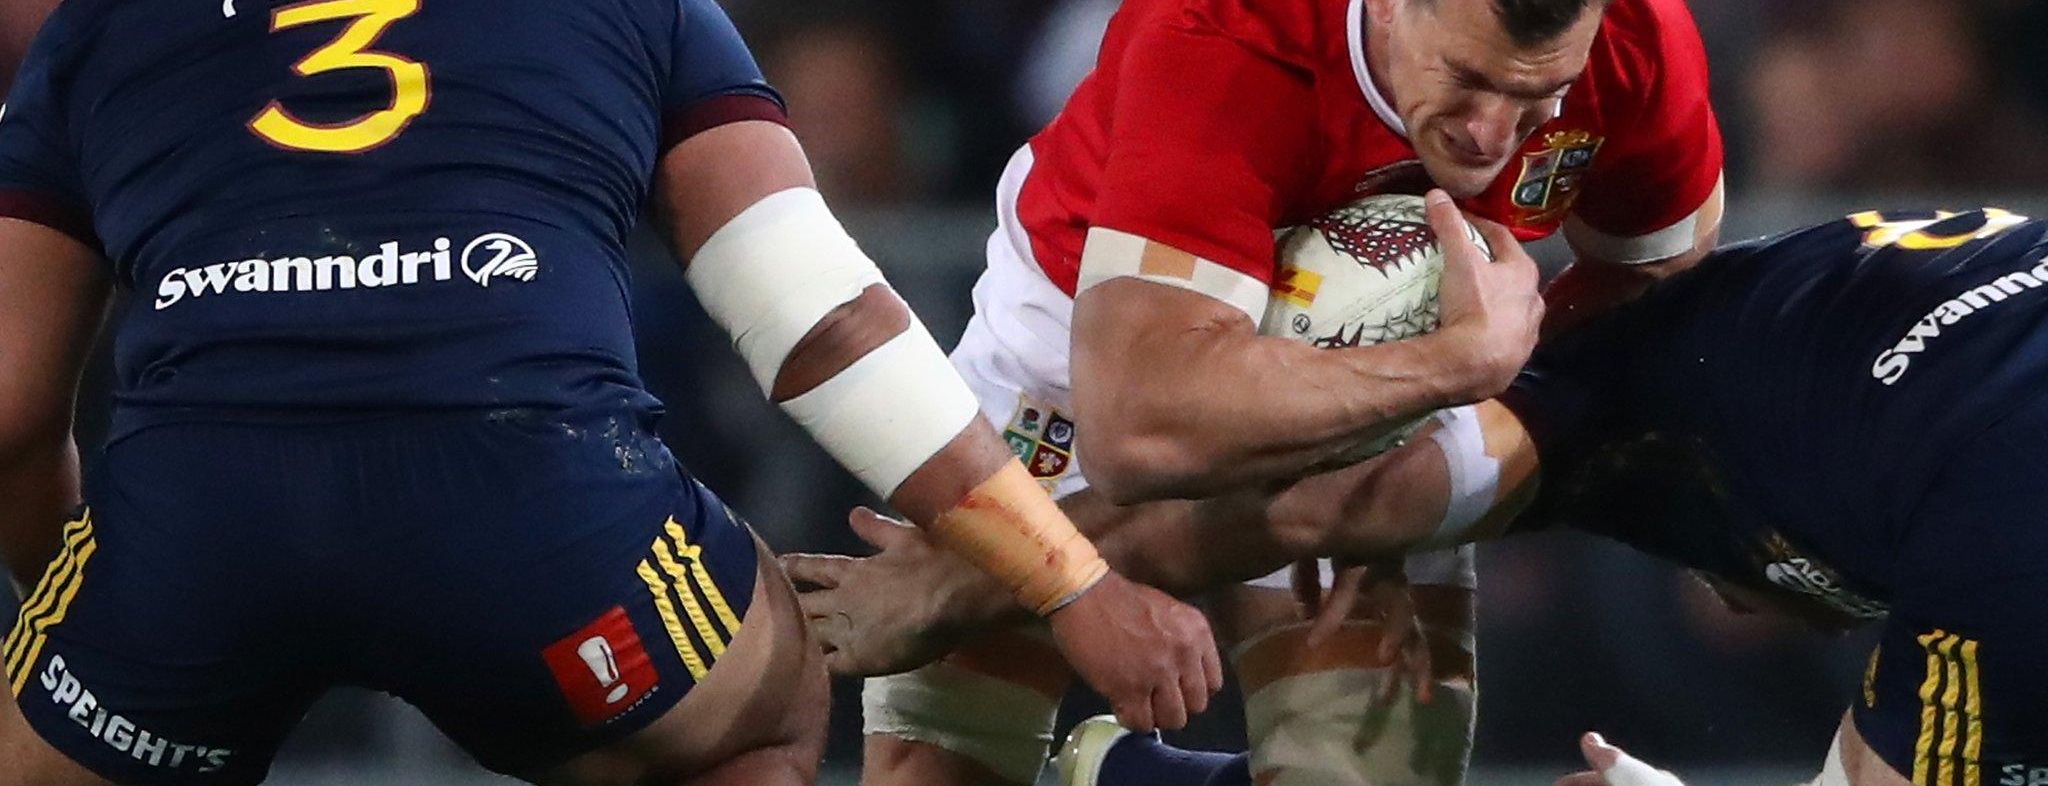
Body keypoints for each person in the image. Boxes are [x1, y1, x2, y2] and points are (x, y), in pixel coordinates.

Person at [0, 0, 1222, 786]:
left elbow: (7, 409)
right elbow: (815, 316)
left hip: (196, 539)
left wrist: (95, 609)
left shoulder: (101, 20)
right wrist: (1071, 585)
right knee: (765, 696)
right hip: (532, 523)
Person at [821, 0, 1726, 786]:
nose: (1494, 135)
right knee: (939, 770)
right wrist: (1460, 366)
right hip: (1092, 343)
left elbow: (1655, 285)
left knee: (1365, 770)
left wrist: (1401, 476)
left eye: (1537, 95)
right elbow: (1140, 433)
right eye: (1466, 79)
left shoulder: (1637, 33)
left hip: (1404, 376)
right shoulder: (1229, 18)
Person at [804, 206, 2048, 786]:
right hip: (1642, 405)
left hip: (1859, 378)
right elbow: (1268, 508)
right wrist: (997, 574)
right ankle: (996, 639)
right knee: (1317, 510)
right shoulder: (2013, 551)